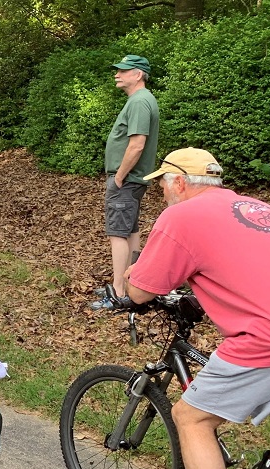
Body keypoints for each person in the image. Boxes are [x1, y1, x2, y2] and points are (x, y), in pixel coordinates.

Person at [122, 148, 270, 469]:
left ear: (180, 182)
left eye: (163, 184)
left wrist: (126, 284)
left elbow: (143, 290)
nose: (161, 192)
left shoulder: (182, 216)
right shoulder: (255, 206)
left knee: (191, 418)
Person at [91, 54, 160, 310]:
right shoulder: (141, 100)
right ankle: (131, 285)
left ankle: (119, 294)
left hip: (127, 179)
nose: (116, 74)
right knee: (130, 231)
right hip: (132, 180)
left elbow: (137, 144)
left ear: (137, 74)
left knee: (117, 233)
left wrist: (119, 176)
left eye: (122, 70)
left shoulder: (140, 101)